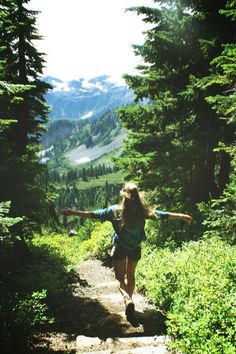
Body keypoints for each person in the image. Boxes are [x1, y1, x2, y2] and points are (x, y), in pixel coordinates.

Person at [61, 182, 192, 320]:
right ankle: (130, 301)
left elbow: (93, 214)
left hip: (120, 248)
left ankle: (127, 298)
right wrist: (182, 216)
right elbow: (163, 215)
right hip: (135, 248)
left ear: (123, 194)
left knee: (119, 277)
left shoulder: (114, 211)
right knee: (131, 274)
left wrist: (73, 212)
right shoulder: (142, 211)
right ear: (137, 195)